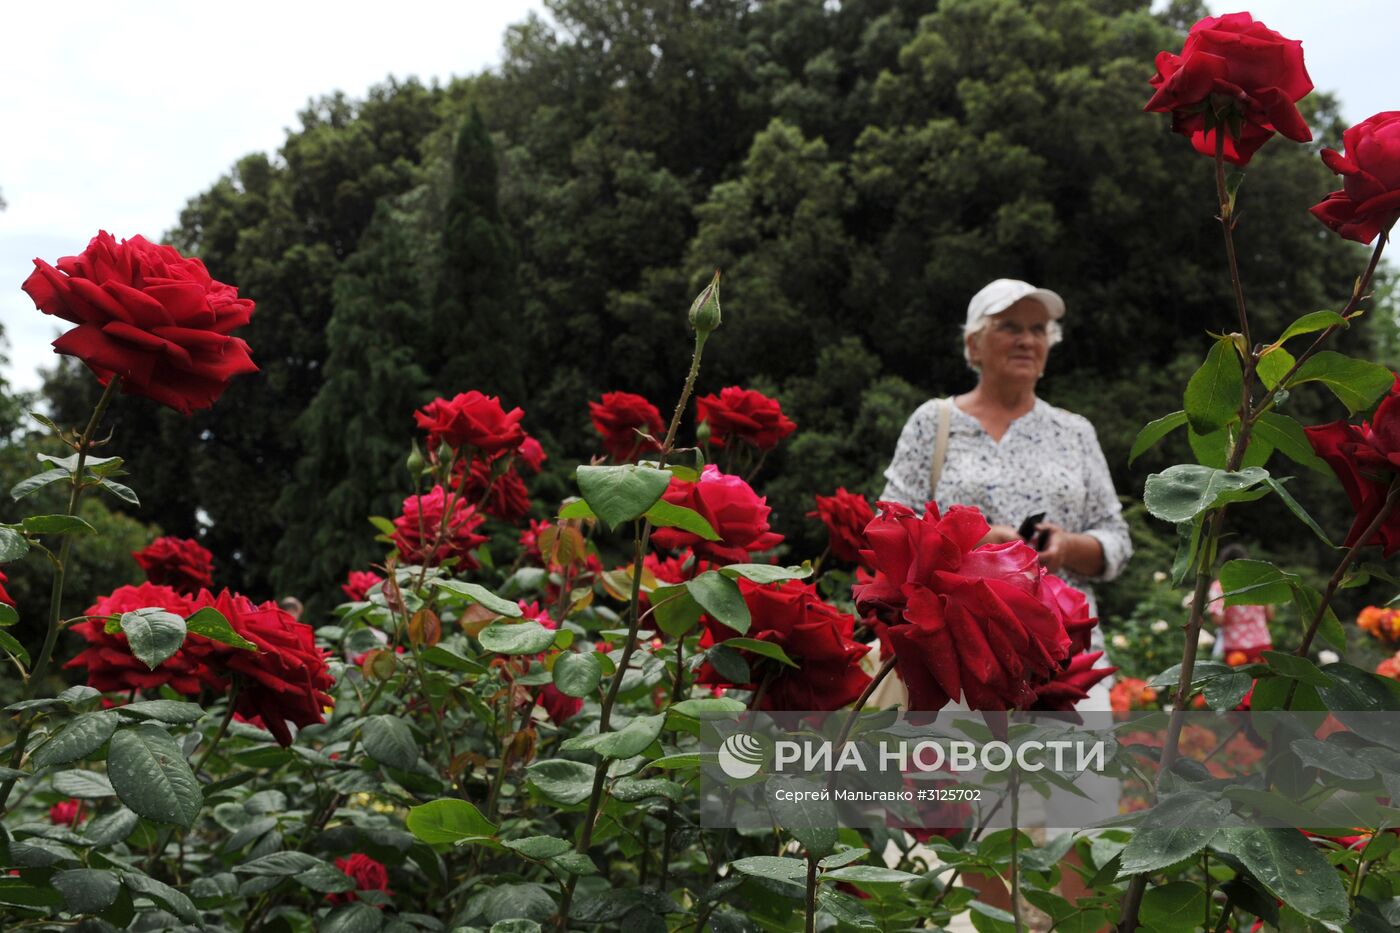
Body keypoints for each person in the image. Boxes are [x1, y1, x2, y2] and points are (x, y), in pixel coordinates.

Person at [878, 278, 1133, 659]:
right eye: (1009, 327)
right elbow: (889, 529)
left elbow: (1116, 540)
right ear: (973, 345)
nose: (1026, 340)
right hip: (959, 646)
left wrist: (1067, 547)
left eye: (1037, 329)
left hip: (1062, 647)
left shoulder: (1074, 431)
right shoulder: (933, 422)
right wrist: (976, 544)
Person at [1206, 543, 1274, 665]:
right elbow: (1270, 616)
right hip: (1262, 646)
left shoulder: (1219, 586)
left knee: (1238, 683)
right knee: (1263, 683)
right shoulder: (1258, 584)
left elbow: (1218, 620)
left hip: (1235, 648)